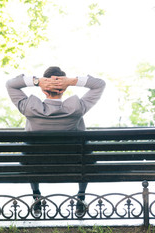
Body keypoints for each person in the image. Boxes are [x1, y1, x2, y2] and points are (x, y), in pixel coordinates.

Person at [6, 66, 106, 216]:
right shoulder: (76, 108)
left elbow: (10, 84)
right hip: (74, 165)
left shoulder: (29, 107)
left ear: (43, 89)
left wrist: (37, 81)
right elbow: (100, 84)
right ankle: (81, 196)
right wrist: (71, 81)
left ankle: (36, 195)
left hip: (37, 166)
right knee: (86, 152)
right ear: (64, 89)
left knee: (29, 152)